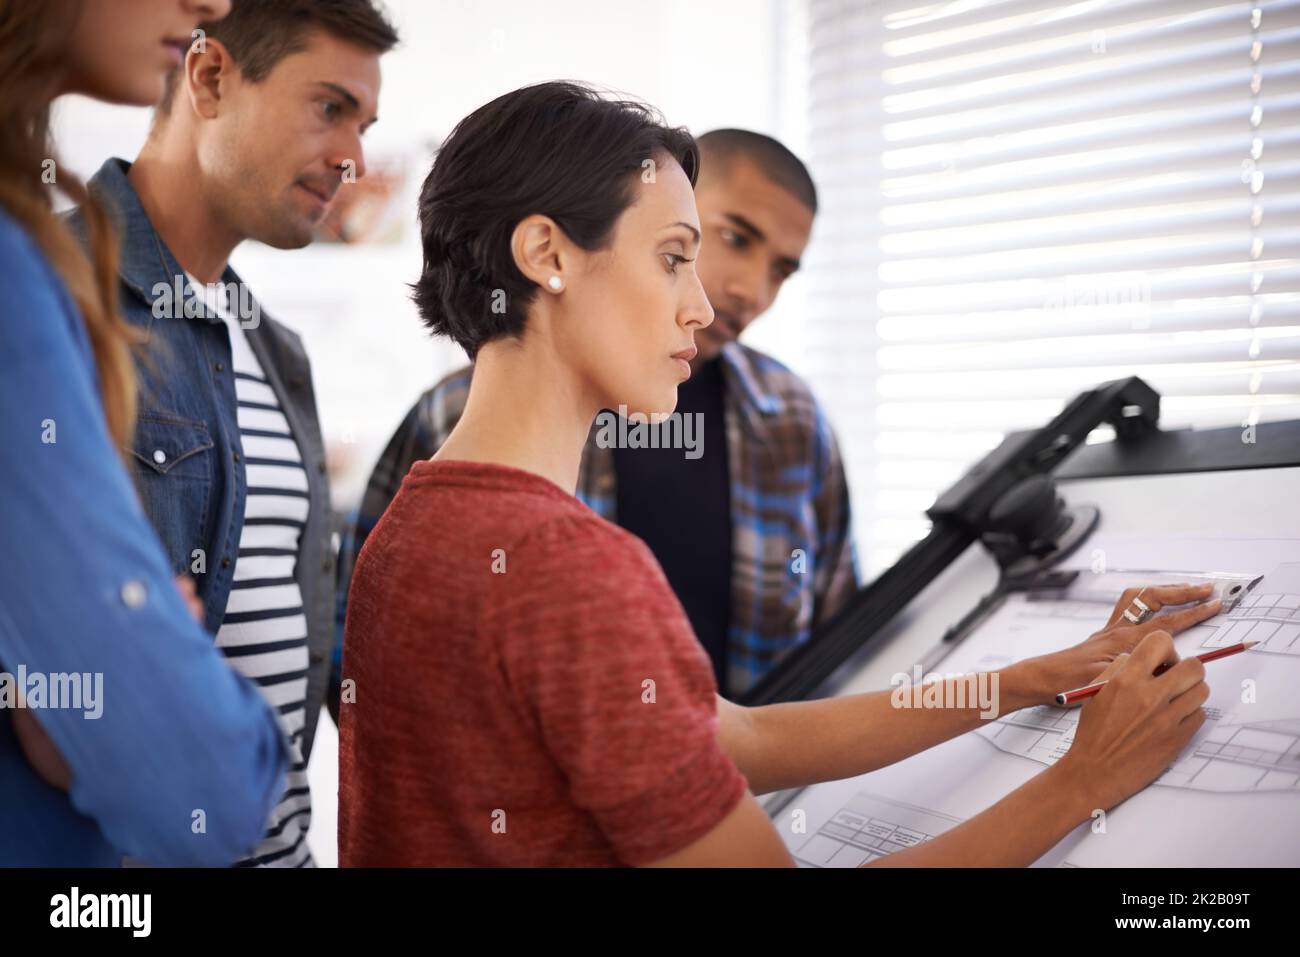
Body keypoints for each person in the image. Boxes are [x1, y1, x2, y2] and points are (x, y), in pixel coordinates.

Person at [338, 80, 1221, 867]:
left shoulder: (412, 528)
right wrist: (1083, 782)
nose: (708, 301)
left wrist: (1037, 673)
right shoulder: (572, 570)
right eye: (675, 256)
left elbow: (742, 730)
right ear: (549, 255)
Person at [333, 129, 856, 703]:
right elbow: (365, 666)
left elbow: (835, 645)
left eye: (781, 270)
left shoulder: (793, 422)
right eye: (721, 241)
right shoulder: (458, 417)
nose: (750, 290)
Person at [67, 0, 398, 868]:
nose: (354, 159)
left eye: (365, 125)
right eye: (330, 107)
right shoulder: (52, 299)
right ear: (209, 77)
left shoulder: (276, 351)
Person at [0, 0, 289, 866]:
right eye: (327, 106)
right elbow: (199, 784)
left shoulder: (280, 351)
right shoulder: (23, 271)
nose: (212, 5)